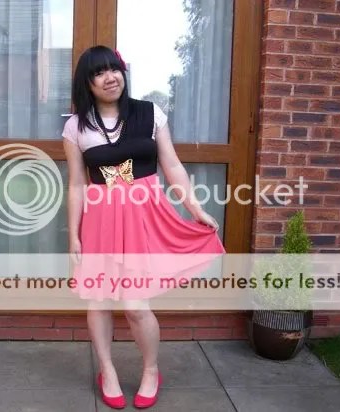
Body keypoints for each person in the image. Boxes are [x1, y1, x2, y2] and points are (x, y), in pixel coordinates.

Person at [62, 45, 225, 409]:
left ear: (123, 72)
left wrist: (195, 208)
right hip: (100, 221)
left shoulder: (151, 113)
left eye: (114, 69)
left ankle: (151, 370)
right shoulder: (76, 126)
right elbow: (76, 183)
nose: (110, 78)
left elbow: (173, 166)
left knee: (136, 306)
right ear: (87, 83)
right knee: (99, 302)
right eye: (99, 72)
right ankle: (107, 371)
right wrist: (73, 234)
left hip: (144, 217)